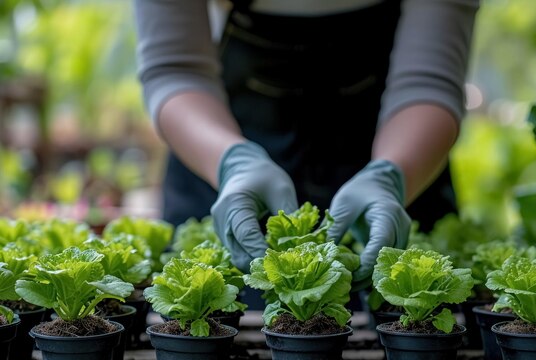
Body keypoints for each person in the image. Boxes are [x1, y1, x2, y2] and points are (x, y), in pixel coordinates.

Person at [133, 0, 479, 295]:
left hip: (404, 145)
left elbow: (429, 80)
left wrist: (393, 174)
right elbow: (176, 68)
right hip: (218, 144)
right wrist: (230, 162)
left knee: (406, 294)